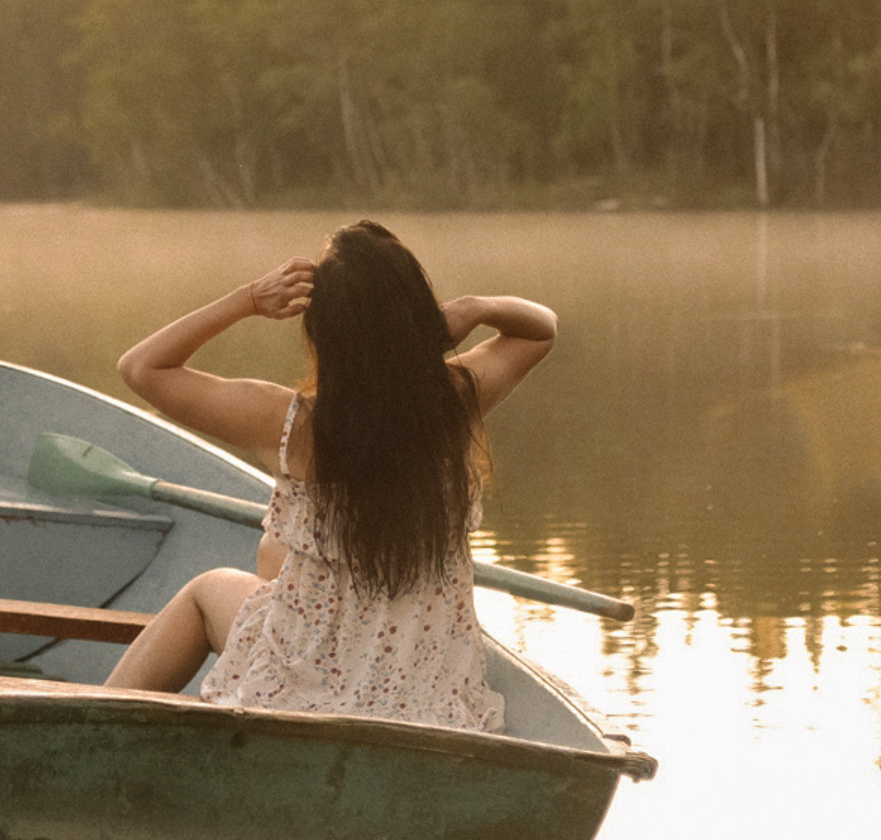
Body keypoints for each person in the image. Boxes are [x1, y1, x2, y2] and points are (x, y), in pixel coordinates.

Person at [103, 221, 556, 733]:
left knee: (208, 590)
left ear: (323, 330)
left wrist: (247, 299)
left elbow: (141, 367)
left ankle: (91, 726)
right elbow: (541, 328)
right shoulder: (456, 400)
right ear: (419, 314)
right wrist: (472, 307)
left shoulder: (291, 423)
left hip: (306, 674)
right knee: (275, 562)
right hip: (423, 679)